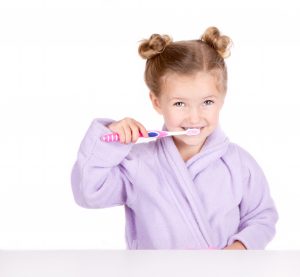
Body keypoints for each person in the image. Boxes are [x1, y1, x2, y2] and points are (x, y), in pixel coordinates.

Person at [71, 26, 278, 250]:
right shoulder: (138, 163)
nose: (194, 117)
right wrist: (109, 138)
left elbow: (262, 217)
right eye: (179, 103)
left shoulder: (239, 164)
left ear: (222, 99)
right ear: (157, 102)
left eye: (207, 102)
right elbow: (88, 193)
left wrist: (238, 249)